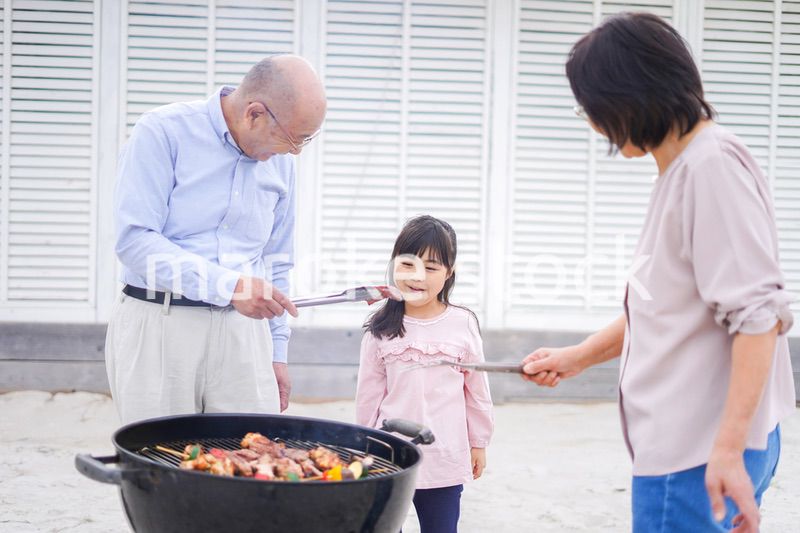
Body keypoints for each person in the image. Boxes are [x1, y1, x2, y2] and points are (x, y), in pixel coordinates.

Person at [522, 13, 795, 533]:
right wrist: (578, 357)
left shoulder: (708, 168)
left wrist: (728, 450)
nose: (593, 123)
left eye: (592, 107)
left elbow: (760, 317)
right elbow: (673, 309)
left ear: (628, 97)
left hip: (695, 455)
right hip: (692, 449)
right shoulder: (685, 168)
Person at [106, 55, 326, 424]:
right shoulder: (161, 132)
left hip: (245, 336)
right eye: (293, 138)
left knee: (252, 460)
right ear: (253, 113)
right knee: (160, 469)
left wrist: (276, 351)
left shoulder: (281, 160)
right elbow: (135, 241)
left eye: (305, 140)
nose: (295, 152)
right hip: (159, 326)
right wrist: (230, 287)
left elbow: (276, 259)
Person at [356, 215, 494, 533]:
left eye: (431, 268)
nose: (418, 276)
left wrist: (479, 442)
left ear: (449, 273)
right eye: (408, 265)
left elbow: (477, 390)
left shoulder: (463, 323)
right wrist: (364, 446)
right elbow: (368, 397)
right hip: (390, 456)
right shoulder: (379, 329)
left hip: (445, 452)